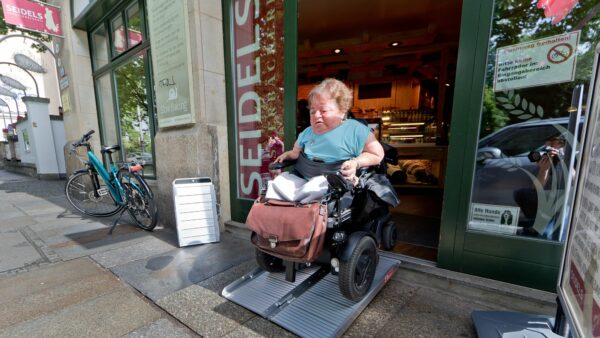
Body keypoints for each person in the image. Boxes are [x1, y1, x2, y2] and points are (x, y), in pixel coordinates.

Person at [274, 78, 384, 185]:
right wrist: (287, 155)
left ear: (342, 111)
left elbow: (376, 154)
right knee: (274, 188)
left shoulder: (356, 130)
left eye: (324, 110)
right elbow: (295, 153)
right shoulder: (307, 133)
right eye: (312, 111)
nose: (316, 115)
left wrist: (356, 163)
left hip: (336, 188)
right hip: (304, 183)